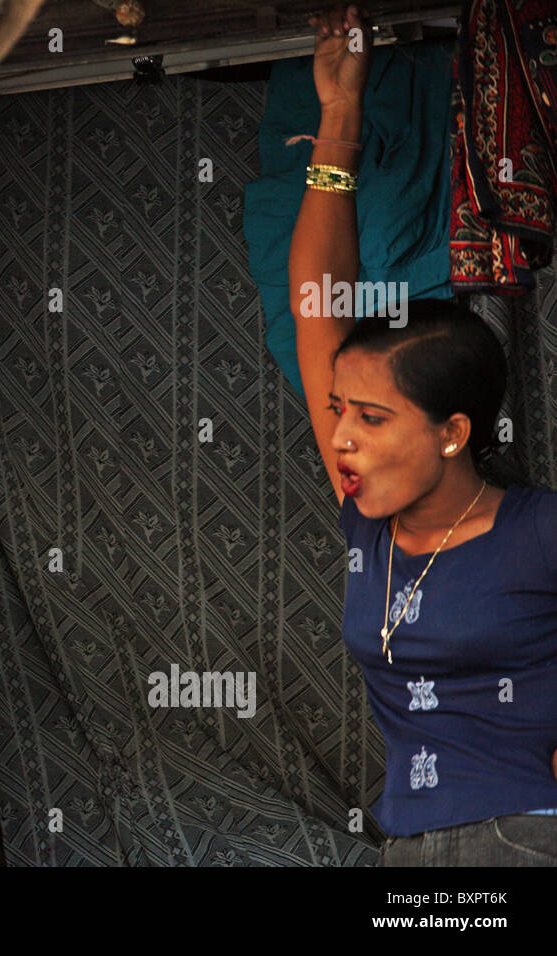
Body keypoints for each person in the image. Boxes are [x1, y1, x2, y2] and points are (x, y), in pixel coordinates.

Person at [291, 5, 557, 865]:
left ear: (452, 433)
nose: (343, 439)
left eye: (372, 418)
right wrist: (340, 115)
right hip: (405, 845)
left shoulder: (538, 531)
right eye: (339, 412)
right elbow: (316, 305)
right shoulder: (368, 520)